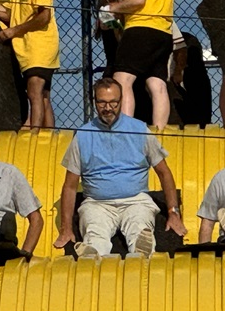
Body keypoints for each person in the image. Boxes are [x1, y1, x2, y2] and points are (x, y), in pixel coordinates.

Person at [52, 78, 188, 257]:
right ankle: (92, 253)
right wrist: (66, 228)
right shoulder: (83, 136)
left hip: (136, 200)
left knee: (139, 227)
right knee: (95, 233)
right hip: (97, 203)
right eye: (102, 102)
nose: (108, 108)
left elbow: (164, 173)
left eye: (113, 103)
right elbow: (69, 186)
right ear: (95, 102)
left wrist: (173, 212)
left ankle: (142, 250)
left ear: (122, 101)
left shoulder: (139, 130)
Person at [105, 0, 176, 131]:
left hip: (141, 27)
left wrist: (112, 8)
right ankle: (160, 131)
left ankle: (123, 131)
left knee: (122, 79)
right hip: (164, 32)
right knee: (157, 83)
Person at [0, 0, 61, 131]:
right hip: (26, 48)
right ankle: (48, 137)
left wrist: (13, 31)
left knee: (34, 91)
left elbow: (44, 17)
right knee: (43, 96)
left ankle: (33, 132)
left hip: (40, 45)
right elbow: (10, 13)